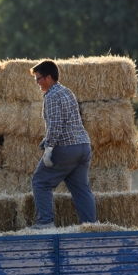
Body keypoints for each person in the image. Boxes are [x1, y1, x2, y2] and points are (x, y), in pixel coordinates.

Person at [30, 60, 97, 229]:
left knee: (40, 181)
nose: (37, 83)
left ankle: (45, 222)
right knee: (81, 188)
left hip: (67, 148)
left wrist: (49, 148)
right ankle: (90, 227)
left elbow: (55, 126)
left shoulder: (52, 96)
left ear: (49, 77)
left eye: (38, 79)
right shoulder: (67, 92)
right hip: (84, 147)